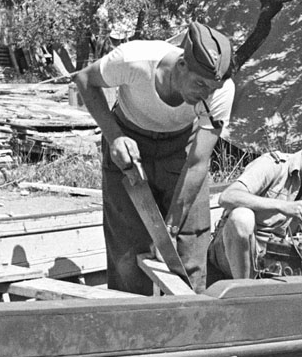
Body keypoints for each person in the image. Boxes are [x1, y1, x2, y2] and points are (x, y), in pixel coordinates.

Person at [73, 21, 235, 294]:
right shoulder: (134, 60)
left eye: (211, 88)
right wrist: (115, 137)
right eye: (199, 84)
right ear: (182, 64)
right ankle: (131, 323)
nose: (205, 95)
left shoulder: (220, 92)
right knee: (128, 253)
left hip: (181, 150)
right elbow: (84, 80)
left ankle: (189, 322)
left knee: (190, 244)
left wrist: (171, 226)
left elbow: (197, 162)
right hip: (128, 142)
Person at [208, 132, 302, 280]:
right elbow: (227, 196)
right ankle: (246, 288)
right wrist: (282, 206)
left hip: (278, 259)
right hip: (233, 253)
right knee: (241, 217)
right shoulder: (274, 165)